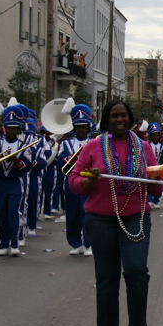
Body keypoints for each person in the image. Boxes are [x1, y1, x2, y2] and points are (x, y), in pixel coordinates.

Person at [69, 100, 163, 326]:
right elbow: (74, 182)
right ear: (106, 120)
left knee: (136, 271)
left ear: (130, 118)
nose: (119, 120)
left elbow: (158, 188)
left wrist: (153, 178)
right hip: (100, 220)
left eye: (124, 115)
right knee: (107, 278)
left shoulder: (144, 148)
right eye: (114, 116)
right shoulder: (92, 147)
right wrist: (88, 181)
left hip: (135, 217)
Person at [0, 107, 33, 255]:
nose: (11, 131)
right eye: (8, 128)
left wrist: (15, 159)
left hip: (15, 182)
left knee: (14, 213)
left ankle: (15, 244)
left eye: (14, 128)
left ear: (19, 129)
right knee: (1, 213)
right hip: (1, 182)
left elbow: (27, 166)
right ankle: (3, 244)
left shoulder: (23, 145)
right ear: (4, 128)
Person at [59, 104, 93, 256]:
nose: (81, 130)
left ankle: (88, 244)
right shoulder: (66, 143)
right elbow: (60, 161)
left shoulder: (93, 143)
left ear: (88, 127)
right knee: (72, 213)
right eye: (78, 127)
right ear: (74, 127)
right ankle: (75, 243)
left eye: (84, 127)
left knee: (87, 212)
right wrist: (73, 160)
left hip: (87, 182)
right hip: (71, 181)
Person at [146, 123, 163, 209]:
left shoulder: (162, 147)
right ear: (150, 136)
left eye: (157, 135)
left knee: (159, 184)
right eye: (153, 135)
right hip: (150, 168)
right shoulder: (148, 145)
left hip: (160, 168)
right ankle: (149, 200)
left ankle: (156, 201)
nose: (155, 137)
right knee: (149, 183)